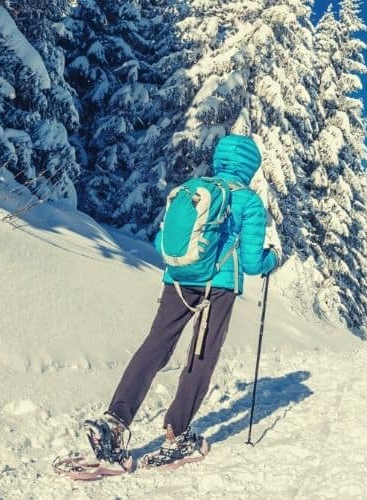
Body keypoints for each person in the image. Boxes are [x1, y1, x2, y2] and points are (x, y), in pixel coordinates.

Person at [85, 135, 280, 470]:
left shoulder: (192, 188)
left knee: (155, 346)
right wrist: (271, 259)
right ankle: (178, 433)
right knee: (200, 357)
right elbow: (250, 263)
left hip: (176, 279)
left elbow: (164, 239)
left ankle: (115, 423)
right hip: (217, 287)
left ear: (219, 158)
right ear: (251, 167)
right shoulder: (248, 201)